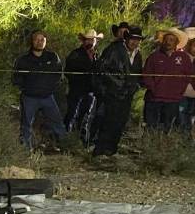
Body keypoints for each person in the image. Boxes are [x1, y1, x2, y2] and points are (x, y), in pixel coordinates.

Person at [93, 26, 144, 156]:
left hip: (127, 95)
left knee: (120, 122)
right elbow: (101, 69)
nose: (135, 42)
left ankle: (111, 150)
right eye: (132, 39)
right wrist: (116, 84)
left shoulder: (138, 55)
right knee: (108, 121)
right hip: (112, 93)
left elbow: (137, 73)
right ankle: (100, 151)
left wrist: (135, 86)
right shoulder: (114, 50)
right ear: (126, 39)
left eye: (138, 40)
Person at [12, 30, 66, 150]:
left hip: (48, 96)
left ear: (46, 41)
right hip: (29, 97)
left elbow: (59, 74)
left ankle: (65, 145)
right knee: (26, 124)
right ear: (32, 41)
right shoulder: (23, 59)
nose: (39, 42)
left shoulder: (52, 57)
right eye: (37, 39)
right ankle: (25, 150)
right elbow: (16, 78)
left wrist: (51, 86)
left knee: (57, 122)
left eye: (42, 39)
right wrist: (26, 87)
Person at [140, 26, 194, 131]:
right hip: (153, 100)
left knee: (167, 129)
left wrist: (179, 90)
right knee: (150, 128)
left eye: (171, 40)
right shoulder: (154, 57)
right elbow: (146, 75)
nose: (168, 42)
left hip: (172, 101)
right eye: (166, 39)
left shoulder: (184, 58)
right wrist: (153, 89)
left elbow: (189, 76)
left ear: (176, 42)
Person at [63, 29, 103, 130]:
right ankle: (66, 133)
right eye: (88, 40)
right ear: (84, 41)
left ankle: (78, 134)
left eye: (92, 40)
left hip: (90, 90)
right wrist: (77, 80)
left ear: (95, 41)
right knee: (72, 112)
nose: (90, 42)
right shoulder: (76, 54)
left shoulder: (96, 55)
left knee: (86, 114)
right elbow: (68, 71)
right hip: (76, 89)